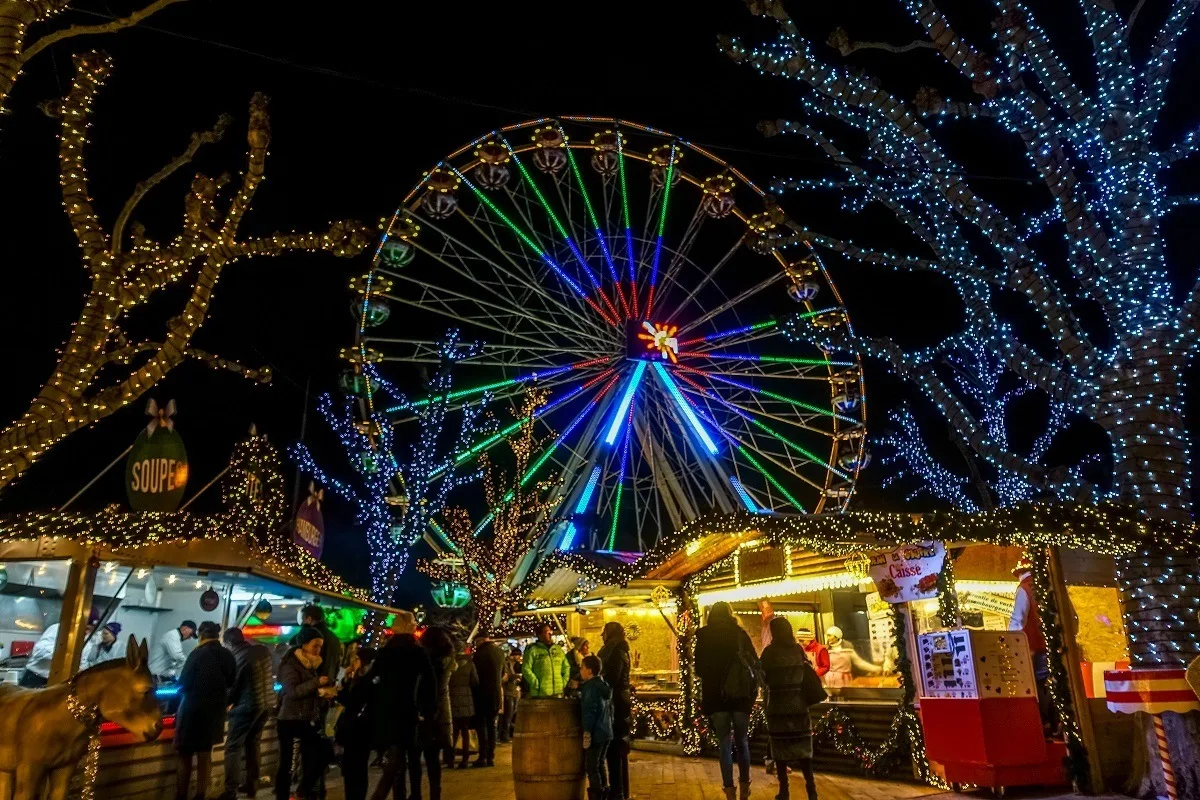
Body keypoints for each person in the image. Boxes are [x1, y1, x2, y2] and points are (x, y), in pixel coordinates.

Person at [369, 611, 437, 800]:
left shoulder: (386, 653)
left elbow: (373, 680)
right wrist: (429, 710)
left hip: (388, 711)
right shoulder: (418, 652)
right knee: (413, 757)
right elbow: (429, 683)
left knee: (396, 755)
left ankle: (399, 793)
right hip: (411, 711)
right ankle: (414, 793)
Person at [695, 601, 758, 800]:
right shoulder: (740, 634)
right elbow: (754, 662)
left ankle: (729, 790)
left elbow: (698, 669)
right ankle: (745, 789)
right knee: (742, 742)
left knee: (724, 743)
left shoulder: (704, 636)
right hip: (740, 696)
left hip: (715, 697)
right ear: (730, 614)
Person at [175, 621, 236, 800]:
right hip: (215, 712)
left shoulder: (197, 654)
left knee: (184, 754)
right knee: (204, 754)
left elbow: (183, 683)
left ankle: (181, 795)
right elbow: (232, 682)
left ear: (201, 635)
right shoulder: (227, 654)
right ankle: (201, 795)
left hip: (192, 711)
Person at [761, 617, 819, 800]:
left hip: (778, 707)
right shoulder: (797, 650)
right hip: (799, 706)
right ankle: (811, 789)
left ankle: (784, 790)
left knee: (781, 751)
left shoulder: (769, 653)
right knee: (803, 751)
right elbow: (808, 672)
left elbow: (762, 678)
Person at [276, 627, 336, 800]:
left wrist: (324, 693)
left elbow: (309, 691)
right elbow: (292, 691)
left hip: (307, 719)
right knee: (288, 764)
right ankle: (284, 795)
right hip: (290, 720)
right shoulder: (291, 664)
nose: (318, 650)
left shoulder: (311, 664)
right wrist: (317, 683)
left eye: (320, 647)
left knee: (323, 753)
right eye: (315, 645)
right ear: (304, 644)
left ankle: (304, 790)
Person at [221, 627, 273, 799]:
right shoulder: (261, 651)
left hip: (247, 707)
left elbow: (233, 690)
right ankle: (252, 785)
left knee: (232, 747)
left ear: (228, 643)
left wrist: (223, 704)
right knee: (253, 743)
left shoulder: (237, 659)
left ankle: (230, 791)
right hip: (266, 705)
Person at [1009, 558, 1053, 730]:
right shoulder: (1050, 586)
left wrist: (1011, 645)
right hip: (1054, 648)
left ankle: (1044, 724)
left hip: (1034, 648)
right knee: (1053, 683)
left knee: (1037, 685)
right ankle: (1059, 723)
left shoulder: (1024, 589)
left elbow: (1017, 621)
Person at [413, 626, 455, 800]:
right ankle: (435, 793)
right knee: (433, 758)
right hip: (440, 712)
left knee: (415, 756)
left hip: (421, 711)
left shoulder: (422, 660)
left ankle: (416, 793)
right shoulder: (448, 660)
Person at [336, 644, 376, 800]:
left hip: (360, 729)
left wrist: (338, 693)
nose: (353, 662)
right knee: (351, 767)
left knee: (357, 768)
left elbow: (353, 702)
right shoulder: (357, 678)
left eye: (357, 659)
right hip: (353, 729)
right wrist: (345, 681)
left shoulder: (368, 681)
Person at [598, 622, 632, 800]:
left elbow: (612, 679)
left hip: (615, 705)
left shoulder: (615, 651)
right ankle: (620, 790)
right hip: (619, 702)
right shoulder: (620, 650)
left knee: (614, 748)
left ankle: (618, 791)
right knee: (617, 748)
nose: (601, 635)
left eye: (604, 632)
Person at [579, 654, 614, 800]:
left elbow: (589, 711)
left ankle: (597, 796)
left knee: (592, 767)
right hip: (606, 731)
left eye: (582, 667)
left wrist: (587, 732)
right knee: (600, 763)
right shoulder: (603, 685)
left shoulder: (590, 688)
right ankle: (605, 793)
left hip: (596, 732)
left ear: (589, 671)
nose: (580, 671)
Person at [472, 634, 505, 768]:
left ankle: (483, 756)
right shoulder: (499, 652)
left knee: (482, 726)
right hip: (496, 694)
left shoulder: (479, 654)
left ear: (480, 641)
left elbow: (475, 677)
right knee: (492, 726)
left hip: (481, 694)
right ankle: (491, 756)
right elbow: (502, 674)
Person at [448, 642, 478, 769]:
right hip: (467, 700)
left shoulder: (450, 663)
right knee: (465, 731)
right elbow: (475, 681)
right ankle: (465, 759)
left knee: (453, 731)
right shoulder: (470, 664)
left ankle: (450, 758)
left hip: (452, 700)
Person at [522, 622, 570, 698]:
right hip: (540, 693)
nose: (549, 634)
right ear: (540, 635)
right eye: (546, 632)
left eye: (550, 631)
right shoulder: (532, 650)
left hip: (558, 692)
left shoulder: (558, 649)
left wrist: (563, 682)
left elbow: (566, 667)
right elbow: (526, 668)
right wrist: (536, 683)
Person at [499, 646, 522, 743]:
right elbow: (505, 677)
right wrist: (516, 676)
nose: (520, 658)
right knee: (508, 715)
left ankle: (506, 734)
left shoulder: (513, 664)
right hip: (508, 691)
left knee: (511, 714)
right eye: (519, 655)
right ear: (515, 655)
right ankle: (505, 735)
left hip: (512, 691)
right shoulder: (506, 663)